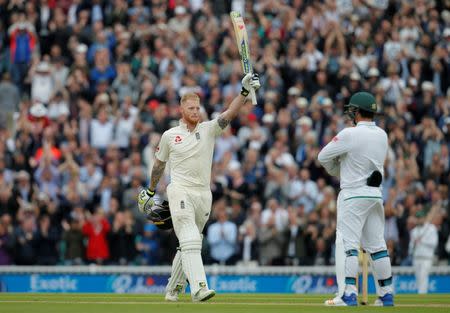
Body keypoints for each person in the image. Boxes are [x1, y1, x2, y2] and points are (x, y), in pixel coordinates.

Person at [138, 73, 260, 302]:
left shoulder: (208, 129)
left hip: (204, 194)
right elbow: (158, 166)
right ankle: (199, 288)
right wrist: (152, 190)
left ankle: (173, 289)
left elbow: (229, 114)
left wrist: (244, 92)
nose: (196, 111)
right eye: (191, 108)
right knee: (190, 238)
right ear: (181, 111)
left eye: (198, 108)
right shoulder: (169, 136)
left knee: (189, 244)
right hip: (179, 190)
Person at [318, 92, 394, 306]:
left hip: (353, 194)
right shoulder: (382, 134)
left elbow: (322, 156)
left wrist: (337, 170)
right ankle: (386, 294)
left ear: (357, 112)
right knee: (378, 246)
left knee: (349, 245)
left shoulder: (350, 134)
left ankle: (348, 294)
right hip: (375, 194)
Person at [409, 210, 438, 294]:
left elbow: (434, 243)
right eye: (418, 218)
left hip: (427, 258)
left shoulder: (431, 228)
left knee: (423, 277)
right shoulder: (414, 231)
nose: (419, 219)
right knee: (418, 278)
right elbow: (410, 247)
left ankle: (422, 294)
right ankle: (420, 294)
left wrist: (422, 241)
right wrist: (414, 244)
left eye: (420, 218)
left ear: (424, 218)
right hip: (416, 257)